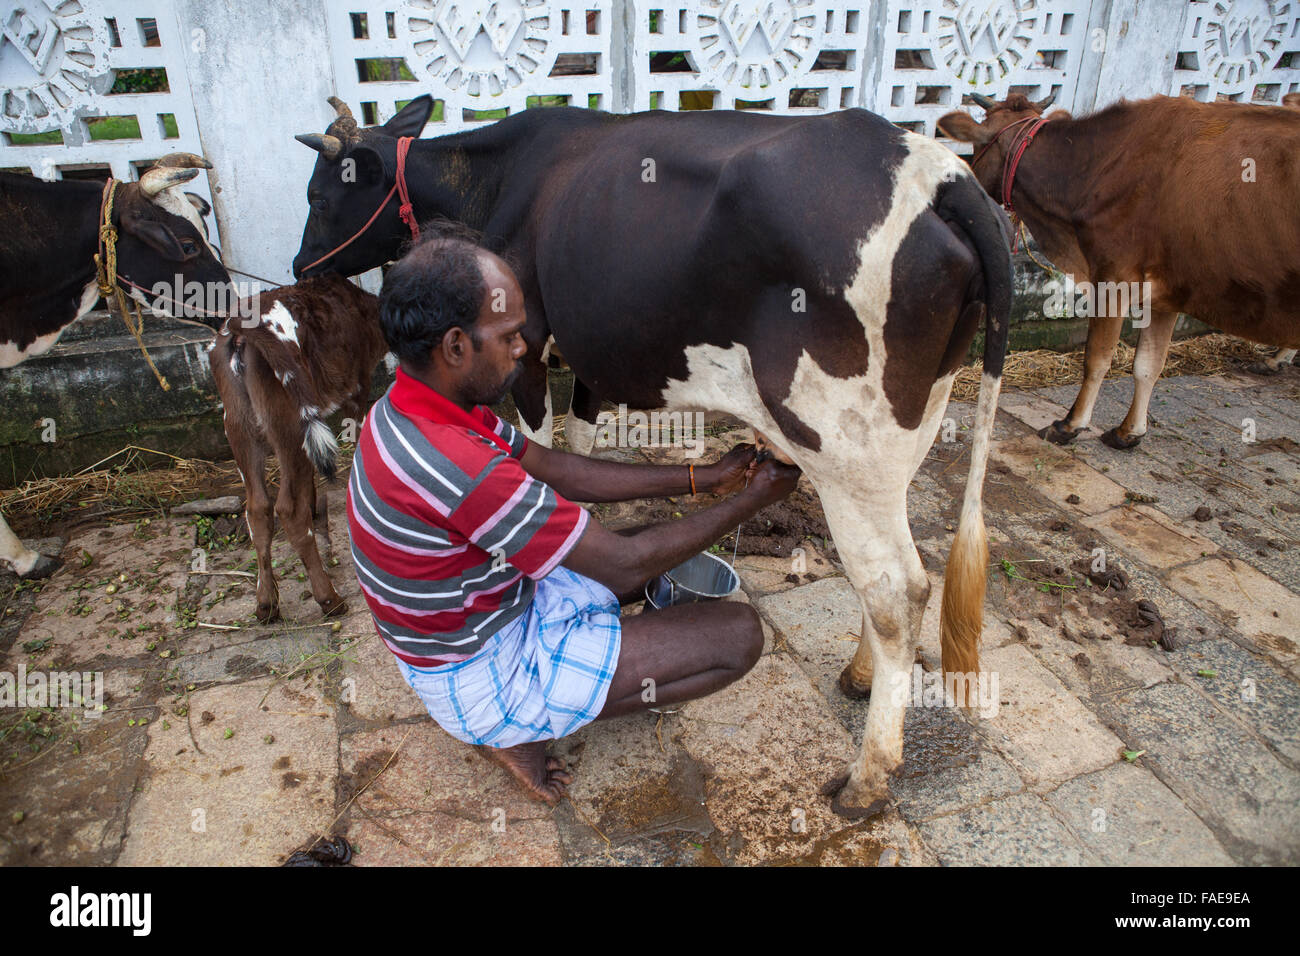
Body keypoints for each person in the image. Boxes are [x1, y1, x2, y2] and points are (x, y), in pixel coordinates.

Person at [347, 231, 801, 803]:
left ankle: (549, 696)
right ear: (457, 346)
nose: (523, 347)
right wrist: (750, 501)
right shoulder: (456, 463)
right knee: (739, 635)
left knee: (644, 544)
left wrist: (701, 477)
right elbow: (620, 566)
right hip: (483, 674)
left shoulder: (417, 405)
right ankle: (518, 729)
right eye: (509, 335)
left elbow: (551, 466)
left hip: (474, 624)